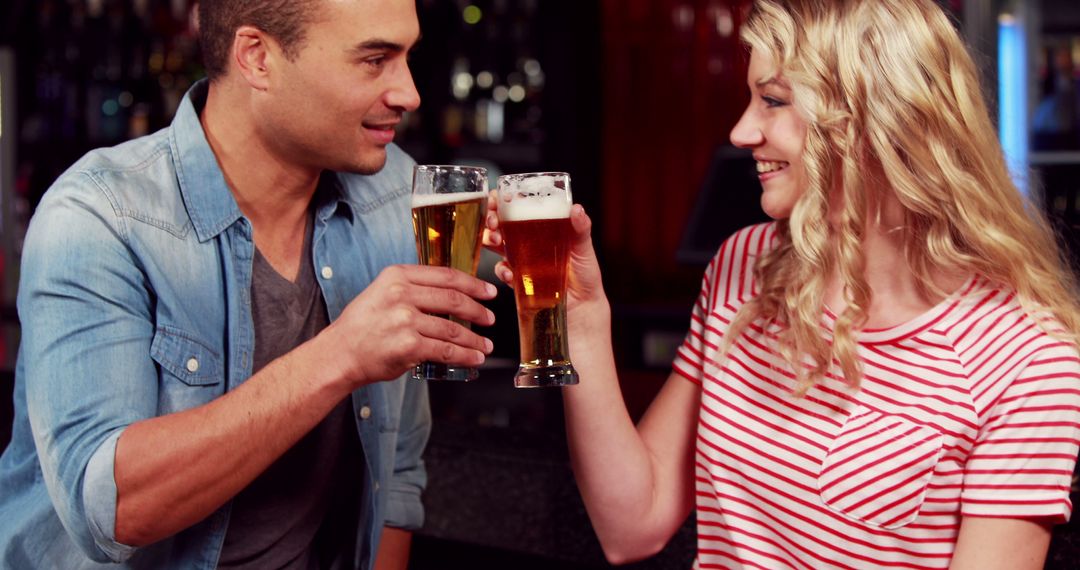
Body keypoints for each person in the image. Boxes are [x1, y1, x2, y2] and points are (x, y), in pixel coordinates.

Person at [484, 0, 1080, 568]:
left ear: (876, 115)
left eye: (772, 100)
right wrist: (581, 320)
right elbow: (631, 525)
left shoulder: (1027, 363)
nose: (742, 132)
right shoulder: (743, 265)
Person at [0, 0, 497, 568]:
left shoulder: (395, 197)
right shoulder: (101, 215)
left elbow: (399, 474)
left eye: (407, 56)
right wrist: (340, 356)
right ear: (257, 58)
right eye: (374, 59)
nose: (409, 93)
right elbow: (110, 510)